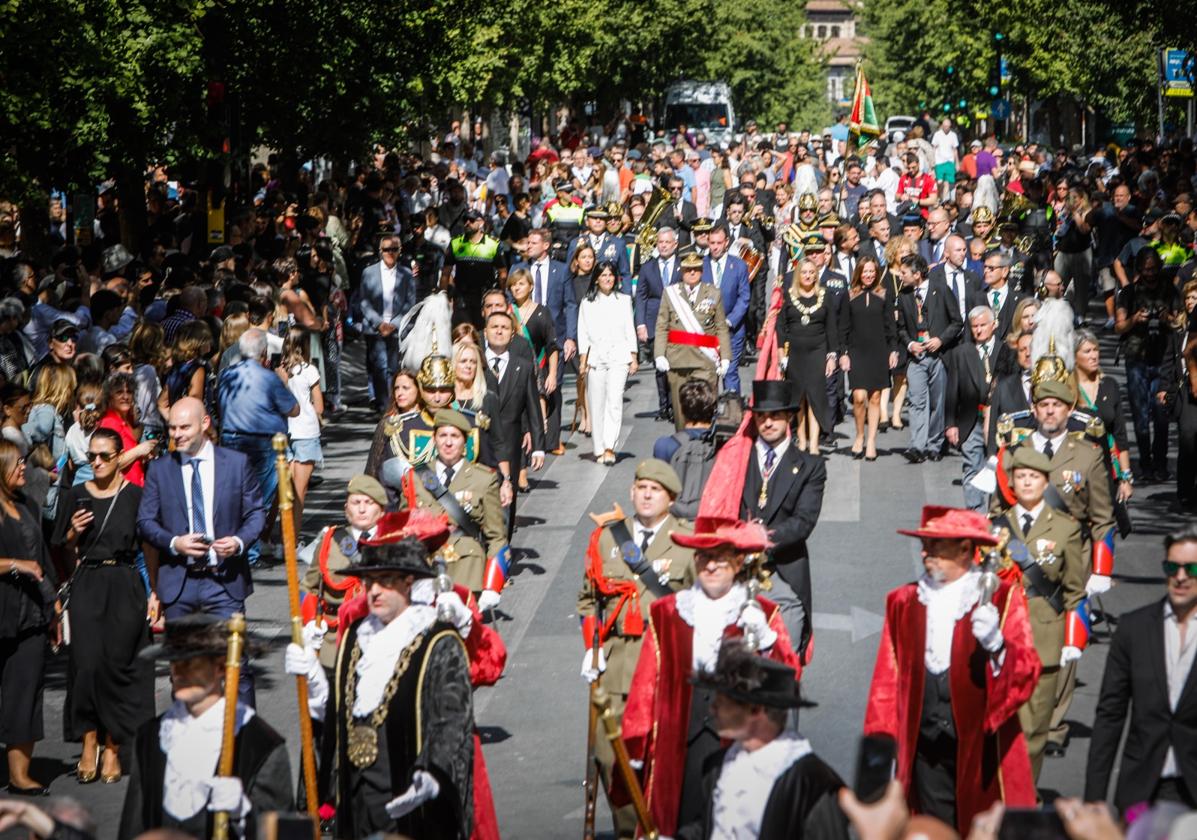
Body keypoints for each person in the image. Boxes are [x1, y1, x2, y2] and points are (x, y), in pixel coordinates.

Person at [288, 525, 474, 839]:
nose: (374, 591)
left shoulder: (438, 642)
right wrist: (316, 683)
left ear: (408, 583)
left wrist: (433, 773)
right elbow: (337, 717)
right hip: (356, 798)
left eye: (385, 582)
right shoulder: (355, 637)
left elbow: (451, 723)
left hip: (408, 798)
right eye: (369, 582)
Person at [620, 516, 801, 837]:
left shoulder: (762, 614)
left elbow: (787, 683)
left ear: (737, 561)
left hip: (740, 749)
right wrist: (635, 747)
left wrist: (767, 643)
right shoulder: (667, 613)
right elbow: (645, 687)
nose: (712, 566)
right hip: (680, 750)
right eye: (704, 556)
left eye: (720, 557)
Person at [864, 505, 1039, 834]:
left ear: (965, 549)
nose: (926, 552)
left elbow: (1027, 675)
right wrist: (881, 750)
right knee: (933, 828)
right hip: (925, 747)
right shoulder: (903, 601)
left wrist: (998, 645)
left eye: (937, 544)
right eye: (925, 543)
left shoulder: (1002, 599)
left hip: (983, 749)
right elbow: (886, 684)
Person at [992, 378, 1116, 760]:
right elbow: (998, 514)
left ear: (1068, 410)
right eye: (1043, 405)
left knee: (1063, 645)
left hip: (1071, 557)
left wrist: (1101, 569)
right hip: (1021, 555)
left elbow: (1102, 518)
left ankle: (1053, 728)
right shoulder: (1019, 451)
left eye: (1057, 406)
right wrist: (1007, 556)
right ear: (1034, 410)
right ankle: (1017, 719)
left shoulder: (1087, 455)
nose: (1049, 411)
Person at [576, 459, 695, 839]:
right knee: (611, 758)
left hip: (663, 664)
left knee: (661, 757)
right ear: (631, 492)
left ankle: (661, 826)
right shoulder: (608, 538)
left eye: (655, 490)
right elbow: (588, 599)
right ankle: (632, 831)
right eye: (641, 487)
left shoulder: (686, 542)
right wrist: (591, 647)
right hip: (615, 666)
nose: (646, 494)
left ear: (671, 499)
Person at [136, 397, 265, 702]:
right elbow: (145, 521)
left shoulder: (235, 464)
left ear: (205, 424)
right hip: (179, 585)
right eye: (172, 428)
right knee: (183, 668)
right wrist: (174, 543)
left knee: (235, 666)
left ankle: (241, 741)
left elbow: (256, 513)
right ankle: (191, 739)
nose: (176, 434)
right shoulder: (160, 470)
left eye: (184, 427)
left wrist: (238, 542)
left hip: (223, 582)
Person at [118, 613, 292, 838]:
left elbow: (284, 832)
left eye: (190, 662)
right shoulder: (150, 736)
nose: (178, 670)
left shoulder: (261, 745)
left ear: (220, 667)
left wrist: (244, 814)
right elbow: (133, 828)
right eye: (174, 660)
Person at [52, 427, 155, 785]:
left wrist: (154, 593)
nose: (95, 462)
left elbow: (149, 548)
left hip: (125, 583)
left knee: (119, 665)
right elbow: (62, 549)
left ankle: (113, 746)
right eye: (91, 456)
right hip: (88, 584)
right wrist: (72, 535)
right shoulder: (77, 494)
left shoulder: (137, 496)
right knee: (87, 665)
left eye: (104, 456)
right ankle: (88, 739)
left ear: (119, 458)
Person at [675, 640, 848, 840]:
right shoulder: (718, 766)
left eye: (722, 703)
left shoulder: (811, 784)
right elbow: (708, 827)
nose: (712, 709)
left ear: (756, 710)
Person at [1086, 525, 1197, 811]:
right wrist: (1094, 801)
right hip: (1142, 790)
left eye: (1191, 569)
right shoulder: (1133, 628)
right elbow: (1110, 716)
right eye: (1172, 568)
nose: (1181, 577)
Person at [992, 447, 1086, 780]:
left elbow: (1075, 591)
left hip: (1044, 639)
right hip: (1002, 639)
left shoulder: (1065, 528)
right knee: (999, 724)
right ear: (1012, 484)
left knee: (1033, 732)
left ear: (1045, 482)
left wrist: (1074, 639)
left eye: (1034, 477)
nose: (1027, 482)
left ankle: (1024, 798)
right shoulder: (996, 530)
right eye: (1021, 477)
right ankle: (998, 794)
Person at [396, 409, 508, 610]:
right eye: (443, 436)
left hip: (468, 569)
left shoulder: (483, 478)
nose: (448, 443)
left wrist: (492, 586)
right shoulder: (415, 478)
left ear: (465, 442)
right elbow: (404, 531)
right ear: (435, 439)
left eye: (454, 436)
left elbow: (496, 536)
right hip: (426, 570)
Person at [0, 439, 60, 796]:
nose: (24, 467)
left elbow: (43, 560)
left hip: (30, 615)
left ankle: (19, 775)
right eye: (16, 463)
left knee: (25, 693)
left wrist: (53, 607)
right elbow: (25, 562)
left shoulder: (26, 504)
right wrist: (13, 565)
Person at [216, 328, 299, 564]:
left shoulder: (227, 375)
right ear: (263, 352)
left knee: (235, 493)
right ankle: (248, 551)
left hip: (231, 438)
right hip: (262, 442)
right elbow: (293, 409)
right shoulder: (269, 377)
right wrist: (283, 382)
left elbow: (221, 405)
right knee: (259, 497)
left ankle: (236, 544)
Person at [300, 474, 387, 670]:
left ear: (381, 509)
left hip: (381, 638)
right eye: (356, 502)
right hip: (335, 640)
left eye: (369, 502)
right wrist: (309, 623)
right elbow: (308, 586)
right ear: (346, 508)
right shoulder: (330, 540)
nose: (362, 509)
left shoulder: (394, 542)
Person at [895, 253, 963, 462]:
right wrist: (909, 343)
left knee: (937, 402)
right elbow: (901, 328)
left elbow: (957, 322)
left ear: (917, 274)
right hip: (916, 358)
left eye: (904, 272)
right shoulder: (904, 295)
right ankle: (917, 445)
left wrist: (940, 340)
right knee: (916, 401)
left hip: (938, 357)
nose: (900, 276)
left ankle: (934, 444)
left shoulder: (941, 290)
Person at [654, 253, 731, 431]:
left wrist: (726, 357)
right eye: (688, 269)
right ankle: (682, 447)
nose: (692, 273)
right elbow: (661, 326)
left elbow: (721, 327)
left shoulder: (713, 293)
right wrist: (659, 355)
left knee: (705, 408)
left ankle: (705, 447)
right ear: (682, 271)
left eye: (696, 269)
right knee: (681, 413)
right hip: (678, 361)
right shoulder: (670, 293)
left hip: (704, 362)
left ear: (702, 271)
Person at [481, 309, 544, 522]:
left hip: (510, 444)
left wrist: (538, 447)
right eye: (494, 327)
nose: (499, 331)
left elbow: (533, 406)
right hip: (480, 443)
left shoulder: (523, 366)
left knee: (508, 502)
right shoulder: (475, 365)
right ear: (485, 331)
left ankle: (505, 545)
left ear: (512, 333)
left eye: (505, 328)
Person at [578, 260, 638, 464]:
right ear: (596, 278)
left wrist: (633, 356)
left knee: (614, 400)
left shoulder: (624, 300)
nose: (607, 278)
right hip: (596, 358)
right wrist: (583, 360)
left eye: (610, 275)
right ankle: (599, 447)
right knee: (597, 402)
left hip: (619, 357)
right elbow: (583, 333)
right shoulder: (587, 303)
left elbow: (630, 328)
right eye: (603, 275)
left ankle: (610, 446)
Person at [777, 258, 837, 455]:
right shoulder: (790, 295)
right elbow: (781, 327)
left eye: (812, 272)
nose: (808, 275)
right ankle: (802, 439)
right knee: (799, 396)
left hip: (817, 351)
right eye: (804, 272)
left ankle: (814, 443)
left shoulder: (824, 295)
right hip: (795, 353)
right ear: (798, 275)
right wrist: (780, 354)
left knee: (815, 396)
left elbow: (831, 328)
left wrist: (831, 356)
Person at [842, 256, 898, 460]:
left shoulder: (883, 295)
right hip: (857, 351)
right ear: (859, 273)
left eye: (872, 271)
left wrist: (893, 350)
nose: (868, 275)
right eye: (865, 271)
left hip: (879, 351)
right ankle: (859, 435)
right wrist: (843, 353)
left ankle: (872, 440)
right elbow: (844, 327)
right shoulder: (849, 295)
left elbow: (890, 325)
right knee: (858, 397)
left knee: (875, 397)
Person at [356, 233, 418, 413]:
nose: (390, 253)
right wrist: (379, 323)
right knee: (379, 367)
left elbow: (410, 302)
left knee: (393, 368)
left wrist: (394, 324)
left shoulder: (406, 274)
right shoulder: (369, 272)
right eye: (386, 250)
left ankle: (395, 404)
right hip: (375, 329)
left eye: (394, 249)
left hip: (396, 329)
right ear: (380, 251)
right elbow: (364, 302)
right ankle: (385, 407)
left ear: (400, 251)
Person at [946, 306, 998, 511]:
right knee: (972, 467)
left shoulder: (1004, 350)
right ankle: (976, 514)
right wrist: (950, 423)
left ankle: (994, 513)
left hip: (996, 420)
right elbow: (952, 390)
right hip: (970, 420)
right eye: (974, 326)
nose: (978, 330)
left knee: (995, 467)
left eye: (983, 325)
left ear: (993, 325)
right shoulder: (961, 353)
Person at [507, 266, 559, 461]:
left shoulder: (541, 312)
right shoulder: (508, 312)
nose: (516, 288)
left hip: (538, 367)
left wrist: (552, 374)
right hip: (515, 369)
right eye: (513, 285)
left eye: (521, 284)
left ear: (530, 286)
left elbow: (552, 345)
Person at [279, 326, 324, 530]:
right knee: (300, 491)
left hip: (285, 431)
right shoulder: (310, 370)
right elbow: (320, 406)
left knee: (284, 489)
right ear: (305, 345)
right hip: (306, 431)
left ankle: (282, 537)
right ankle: (293, 540)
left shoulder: (279, 371)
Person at [635, 229, 680, 422]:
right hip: (655, 324)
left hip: (678, 324)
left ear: (675, 244)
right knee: (660, 367)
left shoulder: (683, 265)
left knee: (676, 366)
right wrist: (641, 324)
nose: (663, 245)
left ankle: (675, 405)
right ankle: (664, 406)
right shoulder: (648, 267)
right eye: (660, 242)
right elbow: (641, 297)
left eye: (667, 242)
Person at [702, 224, 751, 394]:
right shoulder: (701, 266)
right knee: (709, 374)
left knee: (730, 371)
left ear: (726, 243)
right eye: (712, 243)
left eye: (718, 243)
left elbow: (744, 297)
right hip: (707, 331)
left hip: (732, 330)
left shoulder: (739, 266)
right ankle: (709, 414)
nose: (715, 247)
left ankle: (733, 414)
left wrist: (730, 321)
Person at [441, 208, 506, 327]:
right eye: (465, 220)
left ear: (481, 222)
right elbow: (445, 274)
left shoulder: (493, 244)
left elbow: (503, 273)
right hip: (461, 297)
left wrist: (502, 294)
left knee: (483, 331)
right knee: (462, 332)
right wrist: (444, 296)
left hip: (484, 296)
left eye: (471, 220)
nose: (467, 223)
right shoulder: (456, 243)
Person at [450, 339, 505, 470]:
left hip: (482, 474)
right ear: (452, 364)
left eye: (473, 362)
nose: (469, 366)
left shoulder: (488, 399)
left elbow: (499, 444)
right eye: (463, 361)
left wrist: (506, 480)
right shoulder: (443, 400)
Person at [97, 372, 159, 488]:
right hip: (120, 491)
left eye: (129, 392)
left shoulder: (127, 421)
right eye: (119, 392)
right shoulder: (109, 422)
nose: (125, 397)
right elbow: (109, 463)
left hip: (135, 487)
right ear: (110, 397)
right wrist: (139, 450)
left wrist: (144, 455)